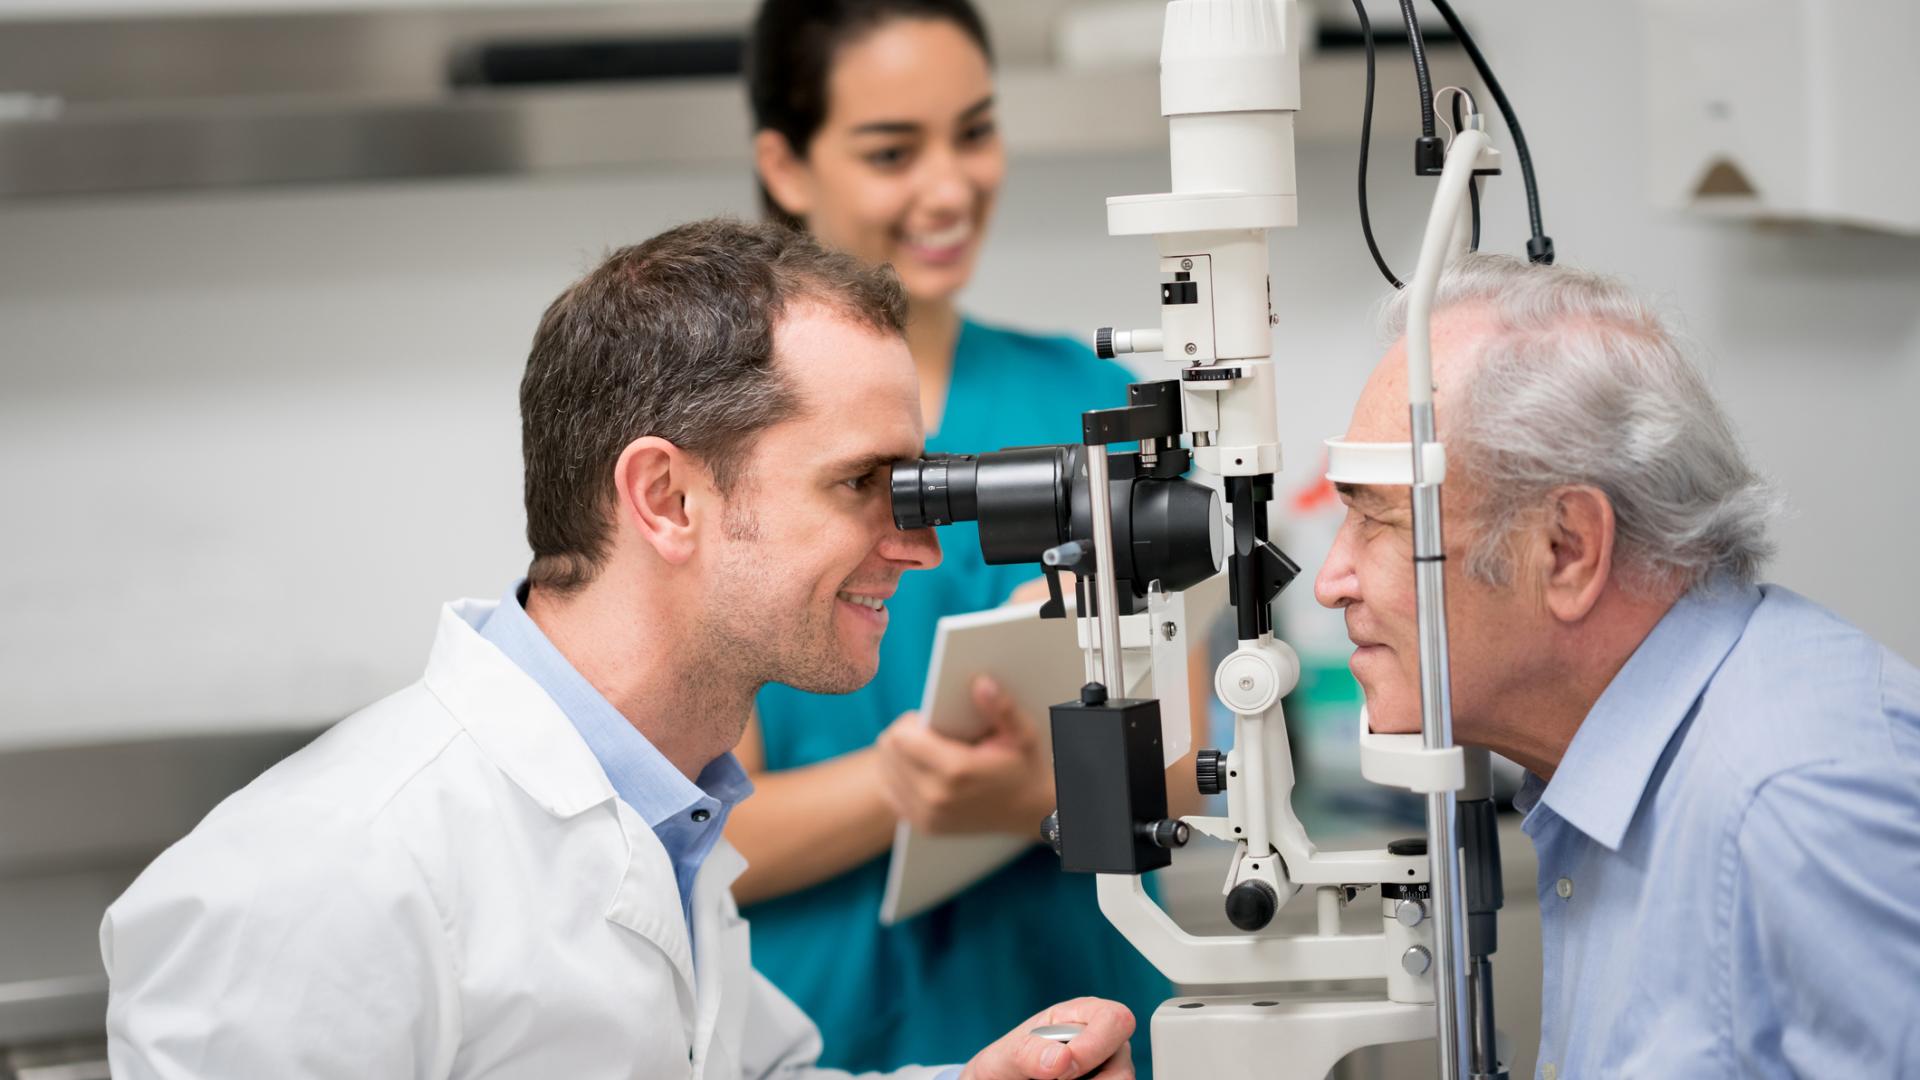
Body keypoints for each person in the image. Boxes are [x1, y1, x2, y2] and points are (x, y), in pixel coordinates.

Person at [98, 219, 1137, 1079]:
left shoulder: (668, 813)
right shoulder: (321, 878)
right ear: (666, 498)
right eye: (863, 483)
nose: (918, 544)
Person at [1314, 253, 1920, 1077]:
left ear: (1567, 550)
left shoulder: (1794, 804)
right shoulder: (1604, 786)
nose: (1328, 582)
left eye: (1376, 520)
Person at [736, 1, 1190, 1072]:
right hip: (827, 1039)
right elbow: (706, 835)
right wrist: (904, 790)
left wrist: (1037, 786)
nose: (950, 187)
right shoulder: (721, 438)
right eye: (893, 151)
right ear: (787, 165)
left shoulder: (1094, 404)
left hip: (1086, 1021)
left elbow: (1191, 761)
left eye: (975, 132)